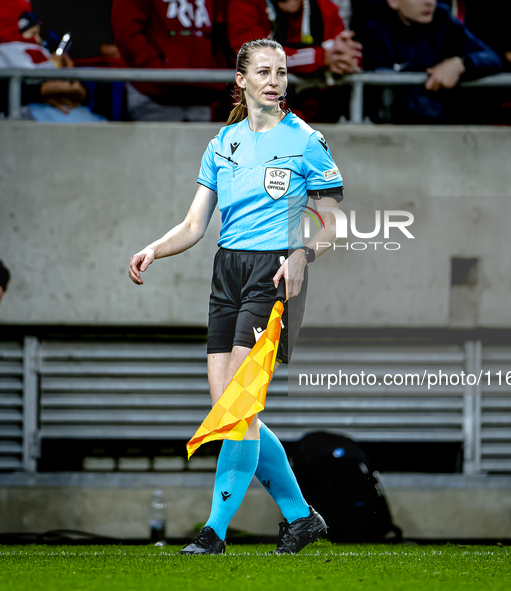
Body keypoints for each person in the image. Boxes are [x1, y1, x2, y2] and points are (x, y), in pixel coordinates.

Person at [128, 38, 343, 554]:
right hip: (226, 271)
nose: (275, 81)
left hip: (273, 274)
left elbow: (333, 219)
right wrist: (154, 249)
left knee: (237, 410)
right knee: (229, 408)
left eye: (282, 72)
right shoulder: (223, 141)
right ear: (242, 81)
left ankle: (214, 531)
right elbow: (194, 224)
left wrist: (302, 254)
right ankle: (300, 517)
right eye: (264, 72)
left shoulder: (306, 140)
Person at [357, 0, 502, 123]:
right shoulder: (371, 30)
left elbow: (490, 57)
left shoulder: (441, 19)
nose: (429, 2)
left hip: (441, 129)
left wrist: (460, 64)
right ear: (393, 1)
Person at [227, 0, 362, 121]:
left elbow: (347, 56)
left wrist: (345, 59)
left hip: (316, 122)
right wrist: (319, 58)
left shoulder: (325, 8)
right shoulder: (245, 4)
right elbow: (252, 55)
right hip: (258, 124)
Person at [112, 0, 231, 122]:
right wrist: (158, 70)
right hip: (154, 94)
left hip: (202, 93)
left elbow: (226, 27)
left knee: (200, 140)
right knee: (156, 140)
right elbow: (127, 31)